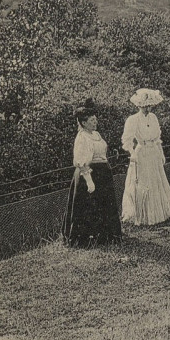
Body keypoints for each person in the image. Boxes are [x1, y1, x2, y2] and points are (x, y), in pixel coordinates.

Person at [63, 99, 122, 247]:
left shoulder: (96, 134)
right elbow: (82, 161)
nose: (95, 122)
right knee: (89, 205)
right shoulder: (82, 137)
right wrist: (89, 181)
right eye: (91, 120)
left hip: (103, 174)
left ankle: (106, 236)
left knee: (104, 204)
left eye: (95, 119)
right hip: (88, 174)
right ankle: (86, 239)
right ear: (83, 123)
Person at [121, 88, 170, 225]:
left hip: (154, 152)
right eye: (145, 106)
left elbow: (157, 138)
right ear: (139, 105)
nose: (147, 109)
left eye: (149, 106)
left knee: (157, 180)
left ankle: (160, 213)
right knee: (144, 181)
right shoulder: (133, 120)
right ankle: (144, 215)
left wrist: (161, 153)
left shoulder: (153, 117)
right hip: (142, 152)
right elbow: (127, 140)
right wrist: (132, 153)